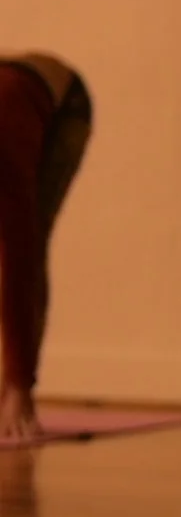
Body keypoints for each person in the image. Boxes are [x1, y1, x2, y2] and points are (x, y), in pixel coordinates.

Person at [0, 52, 92, 441]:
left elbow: (18, 255)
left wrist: (19, 383)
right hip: (17, 89)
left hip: (64, 102)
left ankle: (16, 389)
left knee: (26, 240)